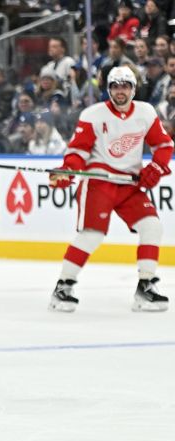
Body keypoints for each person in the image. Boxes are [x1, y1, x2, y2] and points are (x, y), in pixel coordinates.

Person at [48, 65, 172, 313]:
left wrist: (156, 168)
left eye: (125, 86)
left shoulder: (146, 112)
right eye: (115, 86)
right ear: (109, 89)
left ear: (133, 88)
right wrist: (68, 172)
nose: (120, 91)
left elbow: (163, 145)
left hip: (129, 184)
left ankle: (145, 286)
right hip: (98, 181)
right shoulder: (93, 115)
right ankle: (64, 286)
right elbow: (78, 152)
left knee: (152, 226)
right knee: (92, 234)